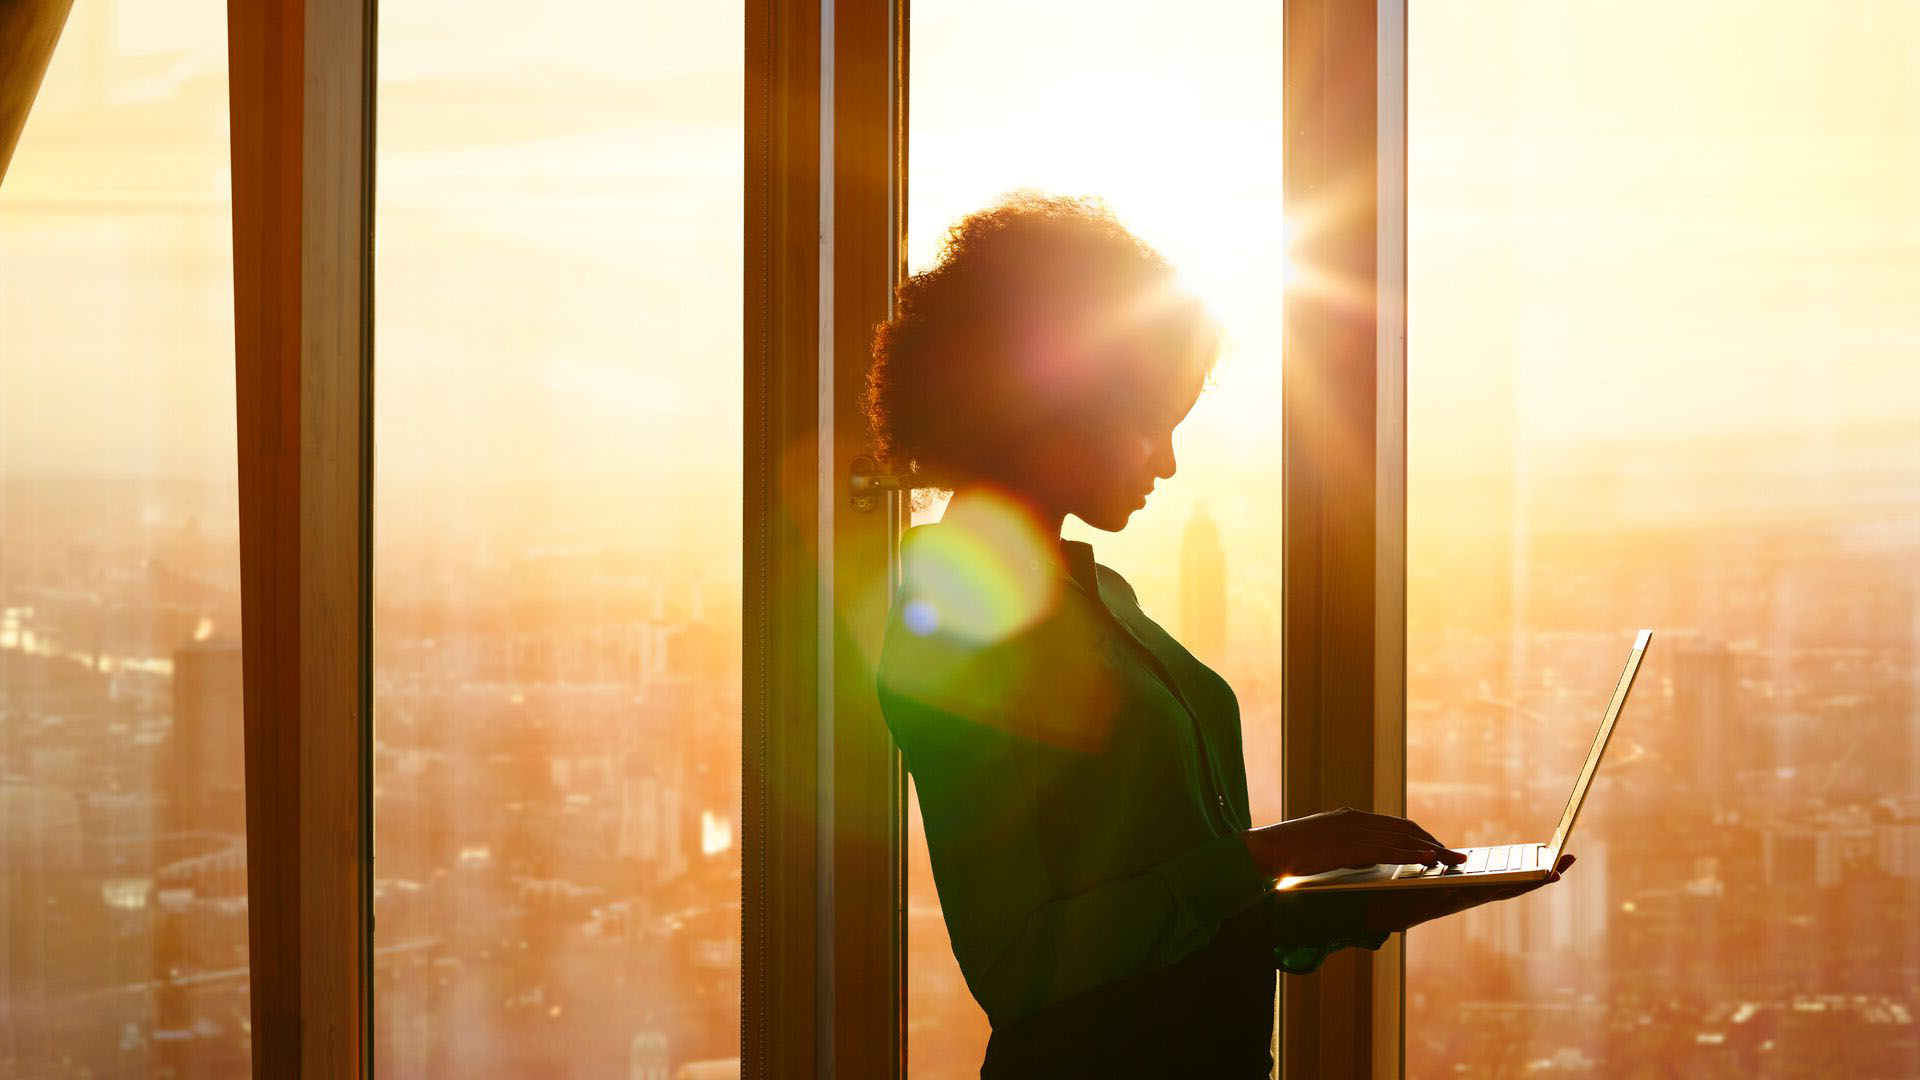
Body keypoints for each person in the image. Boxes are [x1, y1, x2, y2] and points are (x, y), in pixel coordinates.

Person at [865, 194, 1573, 1078]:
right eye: (1150, 423)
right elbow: (1022, 963)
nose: (1165, 462)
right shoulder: (957, 627)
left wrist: (1353, 898)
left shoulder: (1099, 599)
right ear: (1049, 406)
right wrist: (1269, 856)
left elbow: (1176, 897)